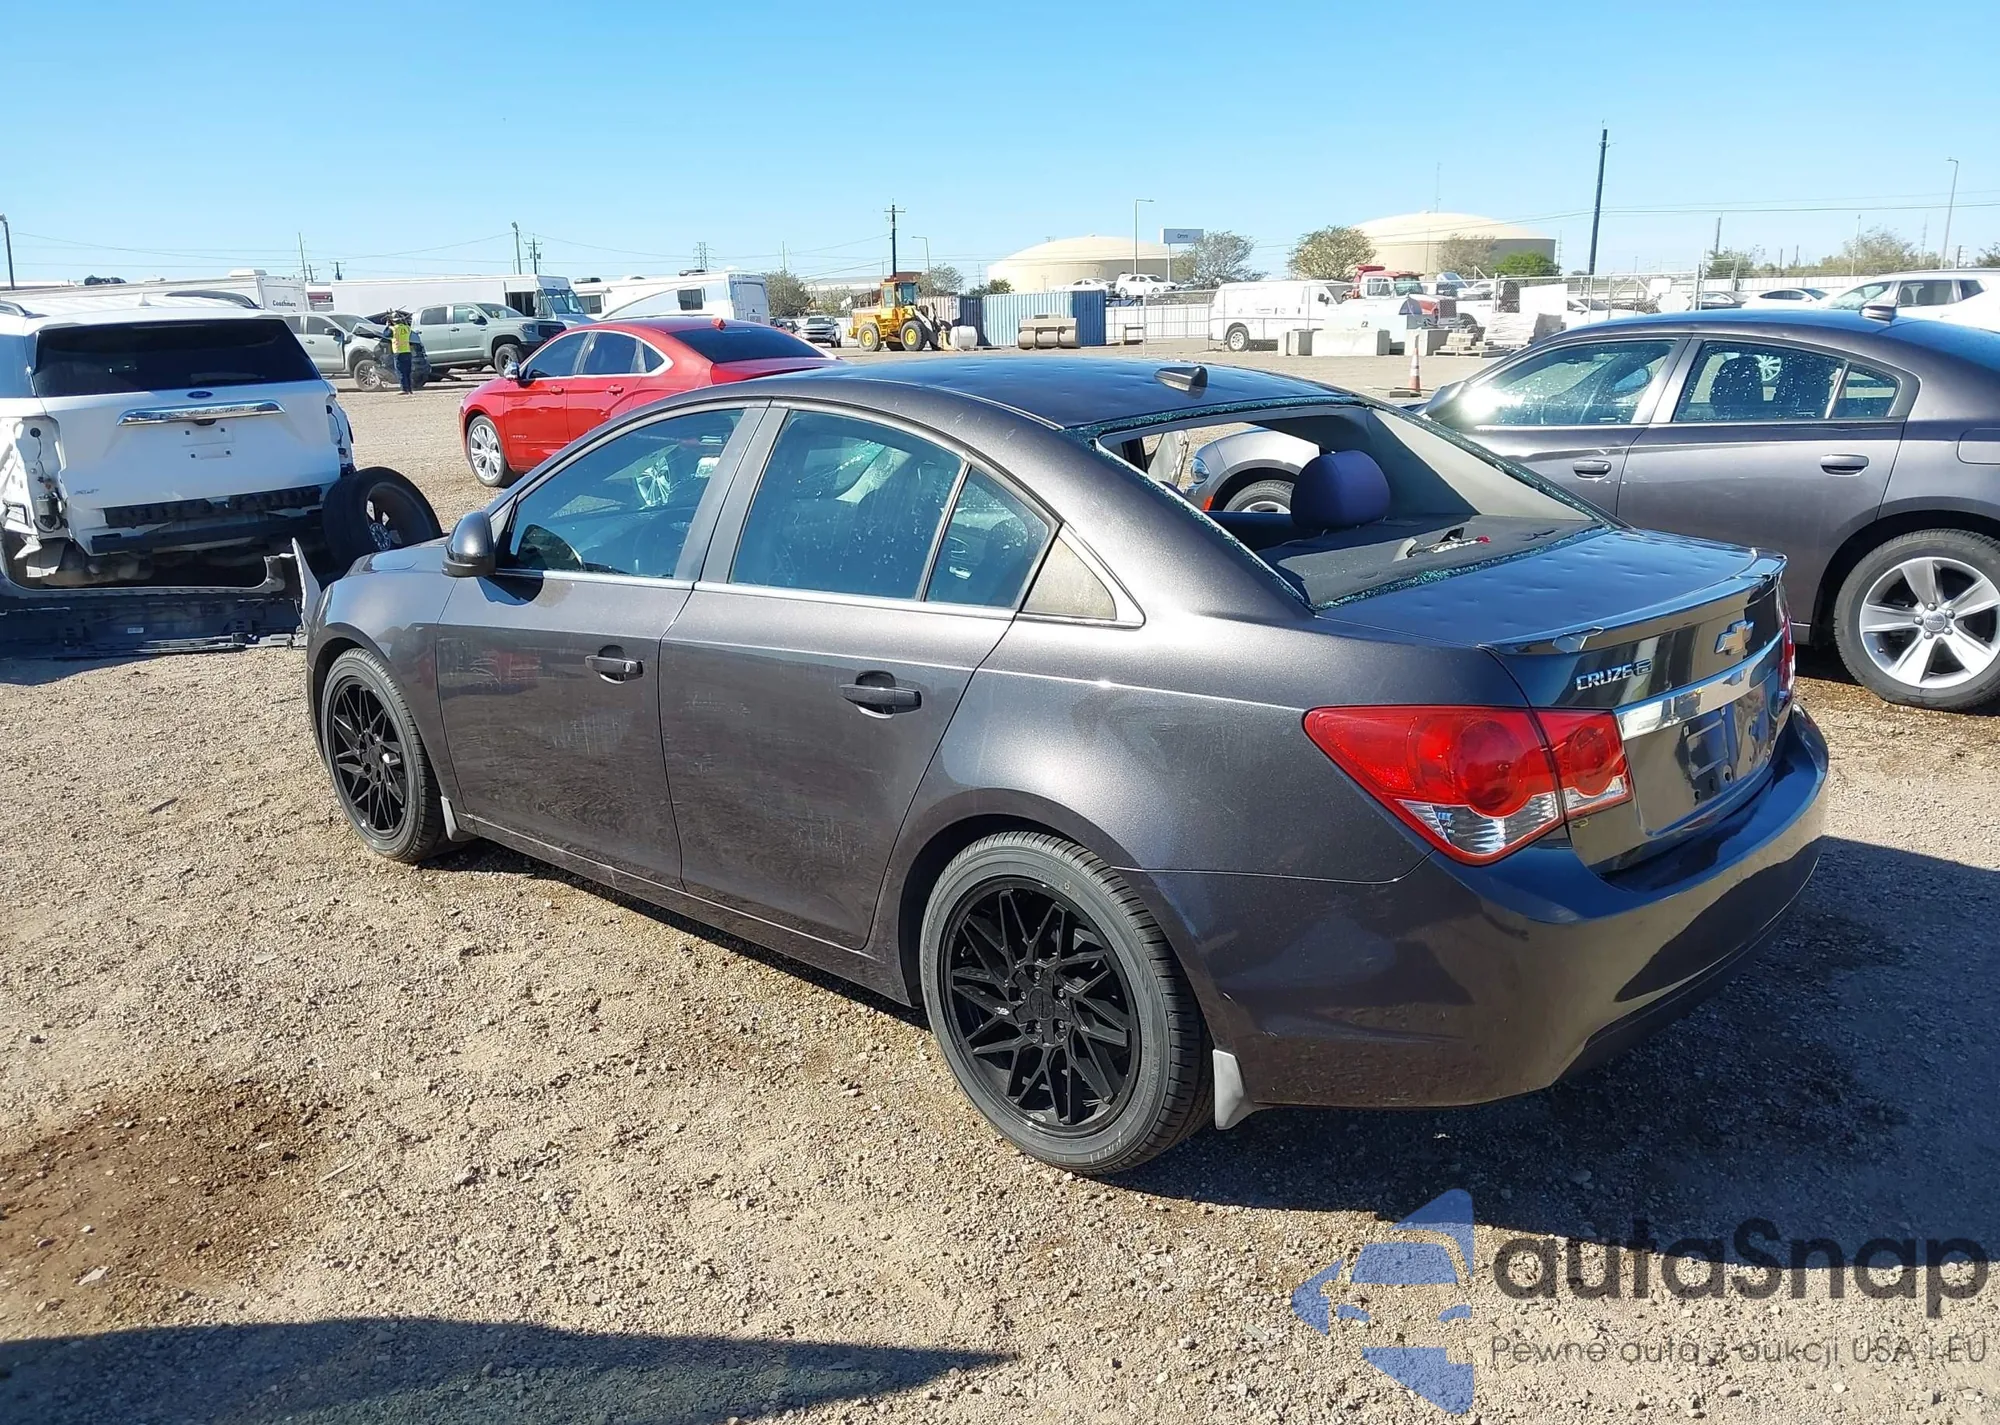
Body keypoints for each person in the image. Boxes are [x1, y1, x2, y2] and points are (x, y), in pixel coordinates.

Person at [390, 312, 414, 395]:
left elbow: (386, 333)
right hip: (407, 352)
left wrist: (388, 324)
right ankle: (409, 389)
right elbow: (408, 326)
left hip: (398, 352)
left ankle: (404, 389)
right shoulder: (407, 328)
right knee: (407, 372)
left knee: (400, 371)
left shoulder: (394, 329)